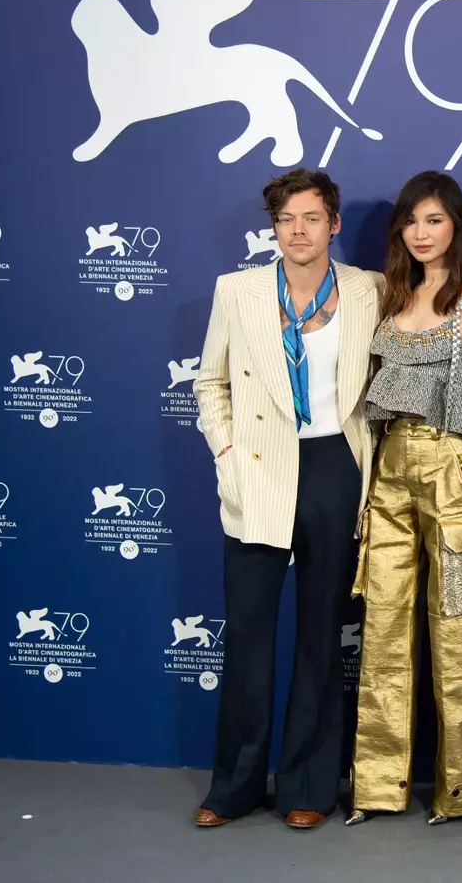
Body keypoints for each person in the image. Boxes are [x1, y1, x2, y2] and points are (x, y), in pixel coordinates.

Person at [191, 168, 384, 830]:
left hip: (336, 463)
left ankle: (308, 784)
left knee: (320, 637)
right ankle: (237, 785)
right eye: (285, 220)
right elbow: (209, 383)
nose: (298, 232)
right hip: (259, 465)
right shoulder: (238, 291)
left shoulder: (369, 290)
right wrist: (225, 449)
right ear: (271, 228)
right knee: (247, 635)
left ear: (334, 224)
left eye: (311, 218)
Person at [345, 171, 462, 826]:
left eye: (434, 220)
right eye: (411, 221)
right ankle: (376, 788)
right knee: (383, 633)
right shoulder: (390, 298)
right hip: (388, 474)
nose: (421, 233)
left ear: (458, 227)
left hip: (455, 473)